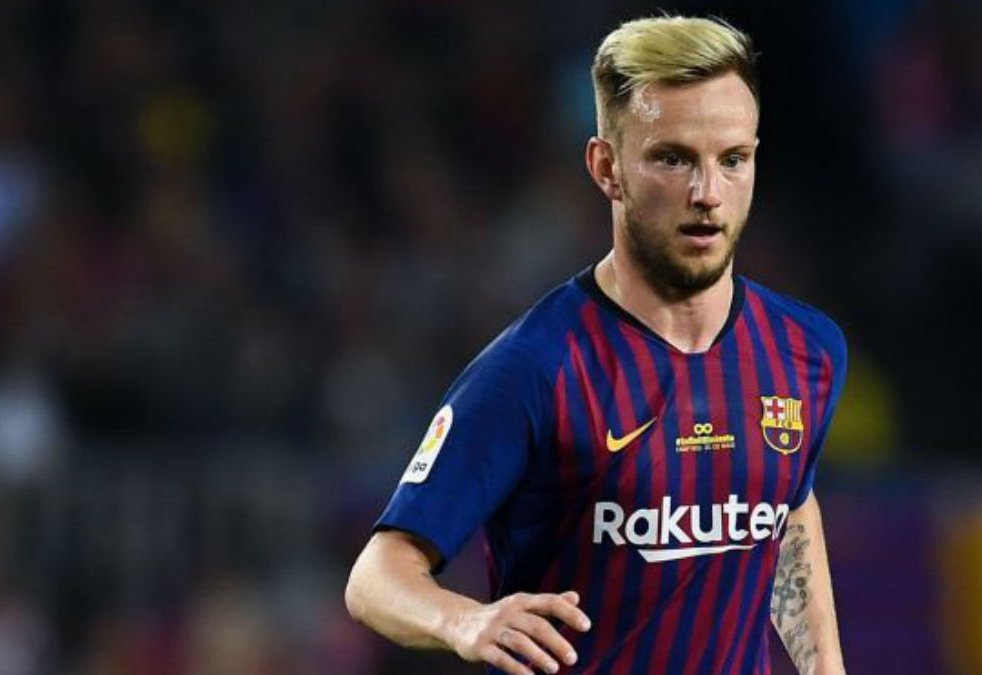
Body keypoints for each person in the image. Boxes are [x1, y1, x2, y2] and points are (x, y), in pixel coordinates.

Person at [345, 15, 848, 675]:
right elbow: (376, 576)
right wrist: (465, 620)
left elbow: (786, 511)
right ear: (607, 168)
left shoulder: (807, 350)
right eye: (672, 158)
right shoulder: (535, 368)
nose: (707, 193)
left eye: (732, 160)